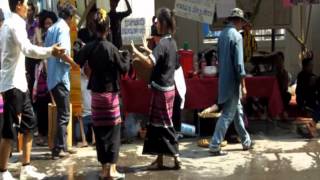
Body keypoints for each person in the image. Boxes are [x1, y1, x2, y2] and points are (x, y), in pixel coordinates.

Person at [0, 0, 65, 179]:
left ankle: (26, 167)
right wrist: (50, 51)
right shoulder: (14, 25)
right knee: (9, 131)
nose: (29, 7)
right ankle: (3, 172)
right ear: (19, 4)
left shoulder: (9, 24)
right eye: (27, 3)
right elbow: (27, 49)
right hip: (12, 85)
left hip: (19, 84)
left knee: (29, 124)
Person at [75, 8, 130, 179]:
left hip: (96, 97)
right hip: (111, 95)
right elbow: (125, 69)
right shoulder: (112, 49)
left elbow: (77, 60)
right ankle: (112, 171)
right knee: (113, 132)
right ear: (108, 29)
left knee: (99, 132)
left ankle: (103, 169)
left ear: (93, 27)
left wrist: (78, 46)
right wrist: (126, 55)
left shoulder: (89, 47)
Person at [131, 8, 182, 169]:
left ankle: (176, 156)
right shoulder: (172, 43)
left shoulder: (162, 44)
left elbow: (149, 63)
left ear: (163, 24)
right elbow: (169, 62)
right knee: (156, 125)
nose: (157, 25)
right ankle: (159, 159)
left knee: (165, 125)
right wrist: (147, 50)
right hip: (169, 89)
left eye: (158, 22)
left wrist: (135, 52)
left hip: (161, 91)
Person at [209, 8, 254, 156]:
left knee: (237, 112)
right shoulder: (237, 36)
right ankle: (215, 144)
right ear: (239, 21)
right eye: (242, 22)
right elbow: (239, 65)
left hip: (224, 80)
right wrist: (243, 85)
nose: (242, 25)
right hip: (233, 82)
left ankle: (246, 140)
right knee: (228, 114)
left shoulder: (222, 35)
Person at [44, 1, 78, 160]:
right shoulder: (64, 28)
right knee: (64, 114)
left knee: (62, 113)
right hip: (60, 77)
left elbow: (47, 53)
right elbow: (63, 54)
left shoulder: (51, 29)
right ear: (70, 17)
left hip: (52, 76)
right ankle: (58, 149)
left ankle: (63, 146)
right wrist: (74, 63)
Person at [32, 10, 58, 146]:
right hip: (42, 74)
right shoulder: (39, 36)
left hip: (53, 73)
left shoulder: (56, 36)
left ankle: (52, 135)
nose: (48, 25)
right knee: (42, 105)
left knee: (53, 104)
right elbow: (38, 52)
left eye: (50, 23)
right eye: (46, 23)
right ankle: (42, 134)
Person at [75, 6, 98, 146]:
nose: (92, 20)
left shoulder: (98, 33)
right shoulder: (81, 32)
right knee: (78, 136)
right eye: (91, 16)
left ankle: (92, 136)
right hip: (83, 64)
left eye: (95, 17)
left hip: (94, 64)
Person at [296, 54, 320, 122]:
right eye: (310, 65)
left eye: (312, 65)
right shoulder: (301, 75)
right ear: (305, 66)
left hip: (312, 98)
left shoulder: (313, 76)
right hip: (304, 98)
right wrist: (310, 82)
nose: (312, 67)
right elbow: (301, 90)